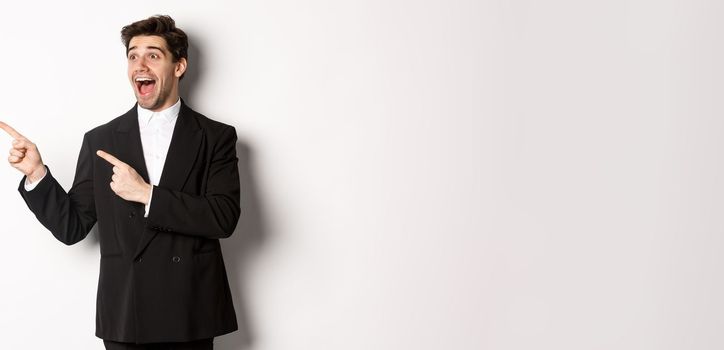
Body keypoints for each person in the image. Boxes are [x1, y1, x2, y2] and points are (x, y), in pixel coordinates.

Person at [0, 15, 240, 350]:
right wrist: (36, 173)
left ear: (179, 66)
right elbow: (72, 228)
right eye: (132, 55)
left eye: (153, 55)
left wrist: (147, 195)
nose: (140, 64)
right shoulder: (102, 140)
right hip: (127, 314)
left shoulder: (215, 137)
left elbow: (223, 217)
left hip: (190, 311)